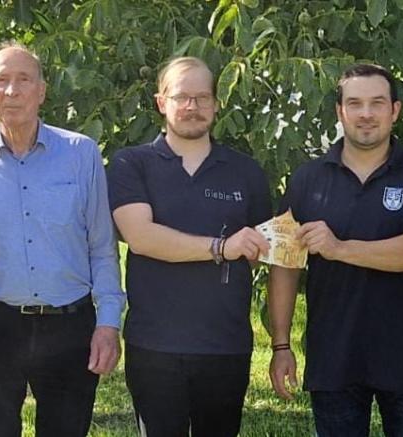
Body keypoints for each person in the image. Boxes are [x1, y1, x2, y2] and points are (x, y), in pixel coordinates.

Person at [0, 42, 125, 437]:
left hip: (69, 327)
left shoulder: (81, 153)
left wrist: (108, 324)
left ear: (42, 91)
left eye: (24, 80)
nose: (12, 90)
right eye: (1, 81)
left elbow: (102, 247)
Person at [266, 64, 403, 436]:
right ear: (340, 112)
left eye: (377, 103)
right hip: (334, 357)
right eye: (355, 103)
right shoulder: (307, 179)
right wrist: (280, 344)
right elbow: (284, 265)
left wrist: (339, 248)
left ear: (394, 110)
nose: (366, 114)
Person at [107, 56, 271, 436]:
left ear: (216, 104)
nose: (192, 107)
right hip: (155, 346)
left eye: (202, 98)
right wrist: (221, 247)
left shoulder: (246, 172)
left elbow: (265, 251)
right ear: (161, 102)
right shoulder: (132, 164)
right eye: (181, 97)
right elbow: (141, 237)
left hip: (226, 345)